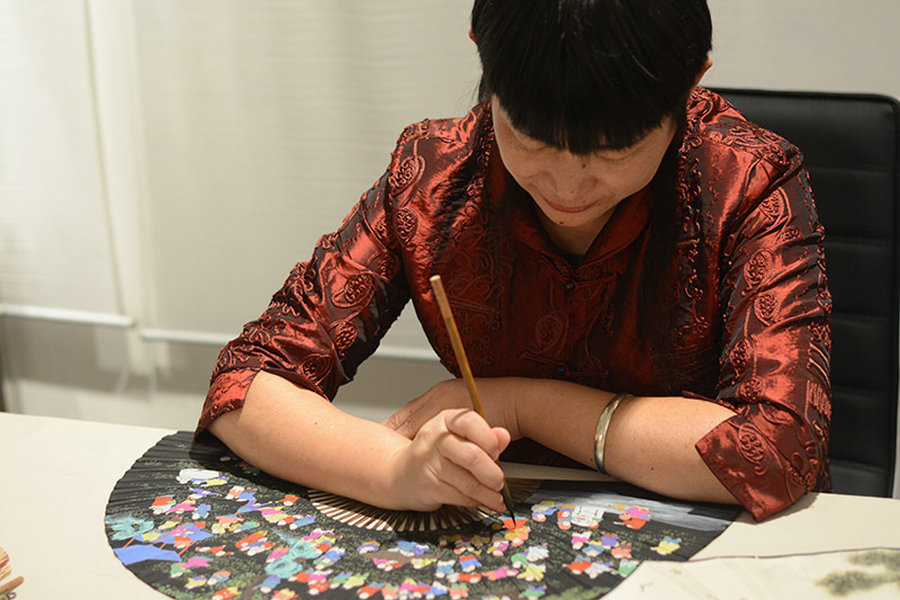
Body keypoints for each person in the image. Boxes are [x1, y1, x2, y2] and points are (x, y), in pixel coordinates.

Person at [197, 0, 831, 522]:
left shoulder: (746, 183)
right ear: (483, 56)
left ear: (691, 83)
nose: (566, 188)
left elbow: (776, 450)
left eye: (614, 153)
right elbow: (245, 386)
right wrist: (395, 471)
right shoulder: (434, 178)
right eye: (529, 139)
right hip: (499, 534)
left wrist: (520, 404)